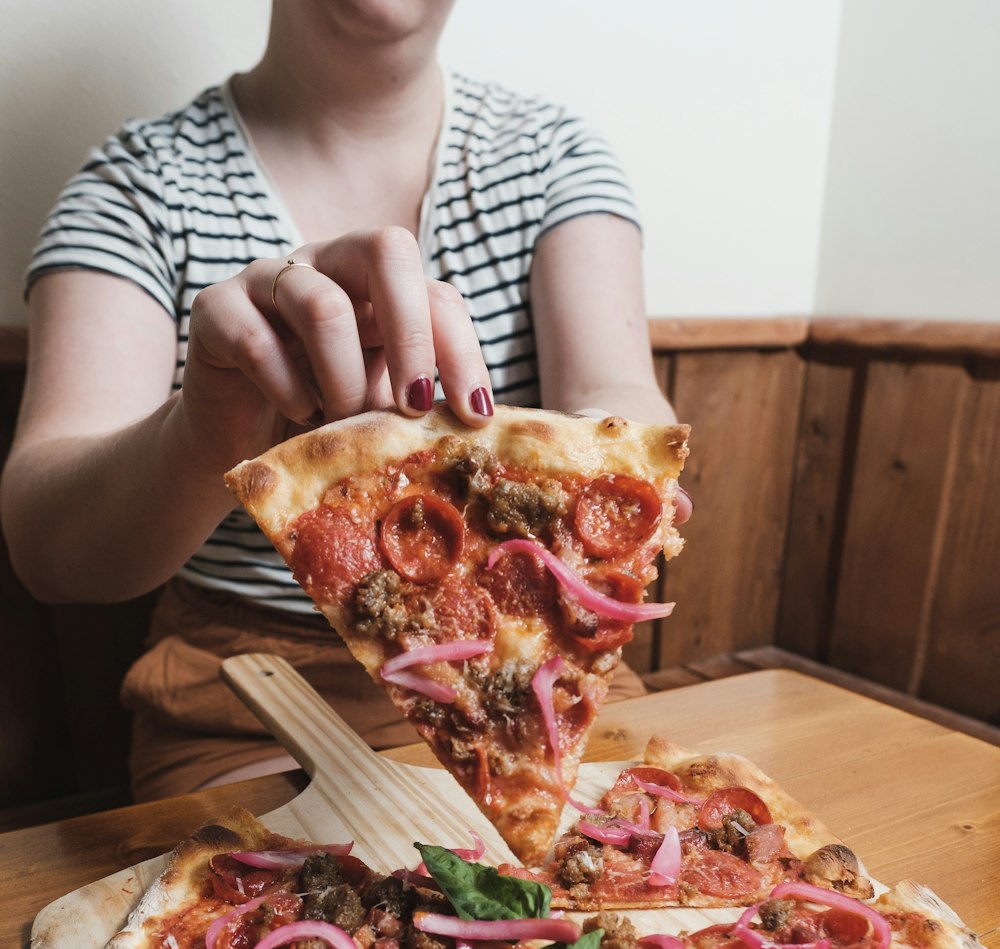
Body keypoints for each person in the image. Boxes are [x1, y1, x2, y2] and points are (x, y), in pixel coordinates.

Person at [1, 0, 683, 801]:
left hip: (534, 667)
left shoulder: (553, 158)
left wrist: (620, 478)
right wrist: (199, 437)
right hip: (244, 698)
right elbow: (49, 556)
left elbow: (621, 408)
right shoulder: (136, 188)